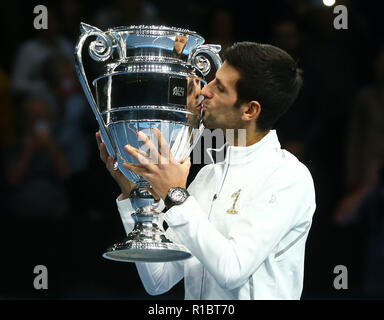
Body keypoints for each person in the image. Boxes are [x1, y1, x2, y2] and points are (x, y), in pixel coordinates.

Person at [96, 42, 316, 299]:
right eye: (213, 80)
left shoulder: (288, 177)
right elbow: (158, 280)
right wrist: (131, 193)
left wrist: (176, 195)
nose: (204, 90)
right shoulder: (207, 177)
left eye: (220, 88)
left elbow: (232, 270)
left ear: (250, 110)